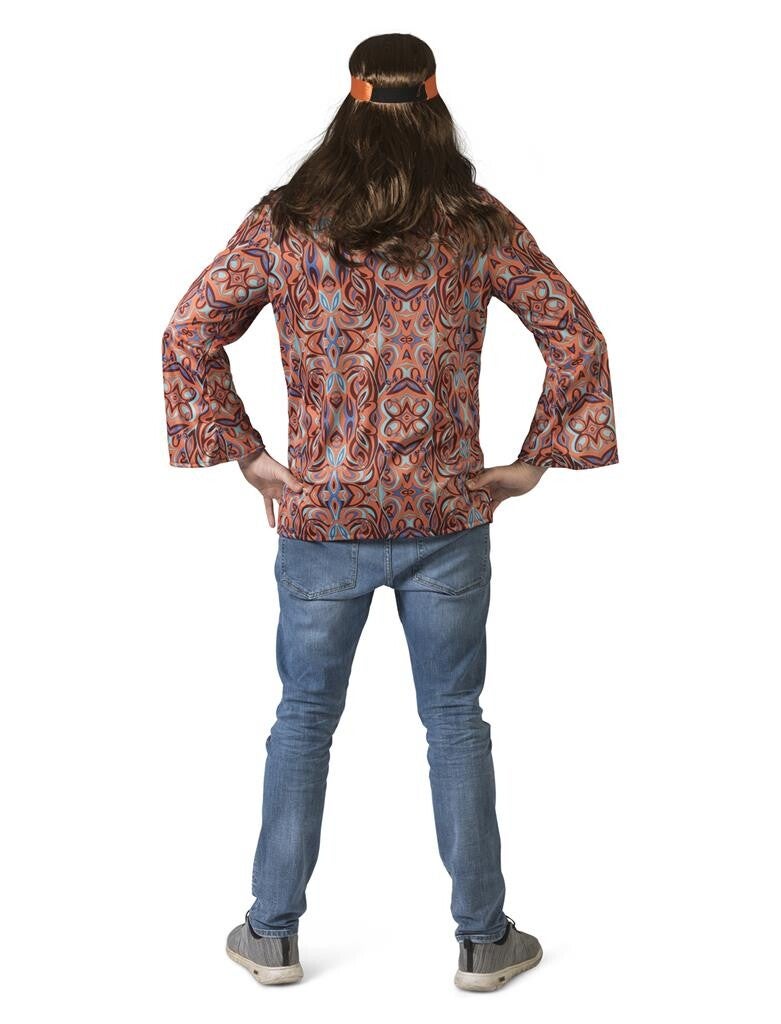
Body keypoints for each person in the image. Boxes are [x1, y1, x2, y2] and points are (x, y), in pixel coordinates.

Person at [161, 32, 618, 993]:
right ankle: (483, 941)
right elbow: (574, 336)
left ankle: (271, 933)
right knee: (454, 721)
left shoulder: (287, 222)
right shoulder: (474, 221)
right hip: (447, 516)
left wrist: (249, 458)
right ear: (435, 103)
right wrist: (531, 465)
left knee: (302, 720)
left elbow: (189, 330)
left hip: (322, 520)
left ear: (351, 102)